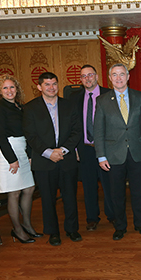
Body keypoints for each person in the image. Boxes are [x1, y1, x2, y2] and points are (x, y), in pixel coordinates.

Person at [94, 63, 141, 241]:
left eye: (122, 74)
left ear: (128, 77)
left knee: (139, 192)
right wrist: (101, 155)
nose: (118, 78)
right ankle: (120, 226)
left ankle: (140, 223)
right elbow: (98, 130)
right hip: (113, 155)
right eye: (115, 75)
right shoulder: (102, 101)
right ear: (110, 78)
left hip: (137, 152)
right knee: (116, 194)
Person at [23, 72, 81, 246]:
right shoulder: (30, 108)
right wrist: (49, 153)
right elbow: (31, 136)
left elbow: (77, 131)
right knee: (48, 199)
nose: (51, 87)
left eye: (54, 84)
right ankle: (53, 232)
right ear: (39, 87)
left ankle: (72, 229)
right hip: (44, 161)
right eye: (47, 84)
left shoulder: (69, 105)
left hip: (66, 158)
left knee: (70, 196)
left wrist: (62, 150)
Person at [0, 75, 39, 244]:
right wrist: (12, 159)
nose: (9, 91)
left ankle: (27, 224)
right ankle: (17, 230)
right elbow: (0, 137)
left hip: (21, 149)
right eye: (5, 88)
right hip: (6, 152)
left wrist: (29, 155)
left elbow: (29, 133)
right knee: (14, 193)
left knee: (30, 188)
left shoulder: (20, 107)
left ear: (17, 89)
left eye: (12, 87)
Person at [69, 64, 114, 232]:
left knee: (109, 184)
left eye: (90, 75)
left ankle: (113, 215)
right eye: (83, 76)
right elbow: (72, 126)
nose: (87, 78)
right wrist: (74, 149)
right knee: (88, 185)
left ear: (96, 76)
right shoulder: (74, 98)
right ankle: (92, 218)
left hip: (106, 148)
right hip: (85, 149)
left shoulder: (109, 95)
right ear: (80, 80)